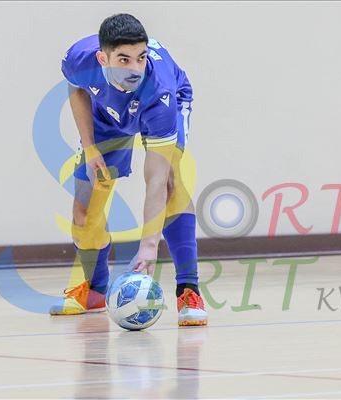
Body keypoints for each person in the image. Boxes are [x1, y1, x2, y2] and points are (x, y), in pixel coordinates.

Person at [49, 13, 208, 326]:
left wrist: (148, 247)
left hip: (163, 106)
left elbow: (156, 179)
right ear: (102, 58)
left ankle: (188, 290)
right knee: (84, 210)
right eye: (124, 59)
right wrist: (90, 147)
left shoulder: (159, 90)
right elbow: (77, 89)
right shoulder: (79, 59)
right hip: (106, 115)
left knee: (170, 182)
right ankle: (96, 290)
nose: (135, 68)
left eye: (141, 57)